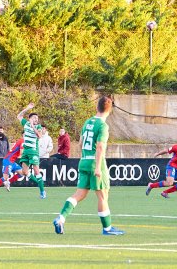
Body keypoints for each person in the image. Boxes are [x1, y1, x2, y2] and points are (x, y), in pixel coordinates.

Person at [53, 96, 124, 235]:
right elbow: (100, 147)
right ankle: (107, 228)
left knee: (79, 194)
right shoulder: (103, 126)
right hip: (95, 163)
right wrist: (97, 167)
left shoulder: (87, 122)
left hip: (84, 160)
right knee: (103, 195)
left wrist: (86, 157)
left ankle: (61, 218)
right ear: (110, 110)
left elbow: (80, 143)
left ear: (96, 107)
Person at [17, 103, 46, 199]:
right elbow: (19, 116)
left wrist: (33, 126)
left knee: (36, 171)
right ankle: (40, 184)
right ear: (30, 118)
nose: (36, 119)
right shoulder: (25, 123)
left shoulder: (38, 127)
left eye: (37, 119)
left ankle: (42, 191)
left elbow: (39, 136)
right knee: (25, 172)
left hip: (33, 151)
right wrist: (27, 108)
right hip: (26, 151)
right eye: (34, 118)